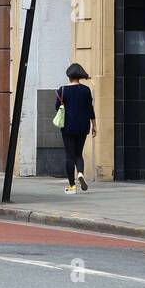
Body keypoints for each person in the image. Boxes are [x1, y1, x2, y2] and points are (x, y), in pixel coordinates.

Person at [57, 63, 96, 194]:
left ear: (69, 76)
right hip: (83, 126)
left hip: (68, 126)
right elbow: (90, 109)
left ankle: (72, 186)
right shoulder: (86, 90)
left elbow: (57, 108)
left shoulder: (62, 90)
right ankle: (80, 173)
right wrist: (94, 125)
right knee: (79, 153)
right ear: (80, 76)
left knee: (69, 155)